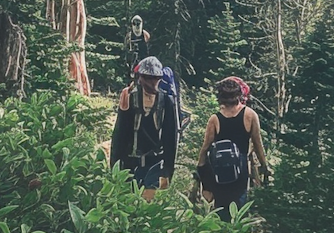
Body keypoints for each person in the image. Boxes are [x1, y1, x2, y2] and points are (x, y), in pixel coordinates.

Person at [196, 77, 269, 217]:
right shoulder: (250, 115)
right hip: (240, 169)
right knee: (238, 208)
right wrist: (264, 167)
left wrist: (201, 173)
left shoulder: (215, 119)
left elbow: (204, 150)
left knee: (221, 209)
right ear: (239, 96)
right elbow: (258, 145)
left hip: (218, 171)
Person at [110, 54, 178, 199]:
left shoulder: (167, 101)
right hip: (129, 162)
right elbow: (119, 135)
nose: (152, 82)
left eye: (155, 78)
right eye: (148, 78)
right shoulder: (129, 98)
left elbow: (170, 139)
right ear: (140, 77)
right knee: (128, 205)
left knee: (147, 207)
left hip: (154, 164)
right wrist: (114, 166)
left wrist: (167, 172)